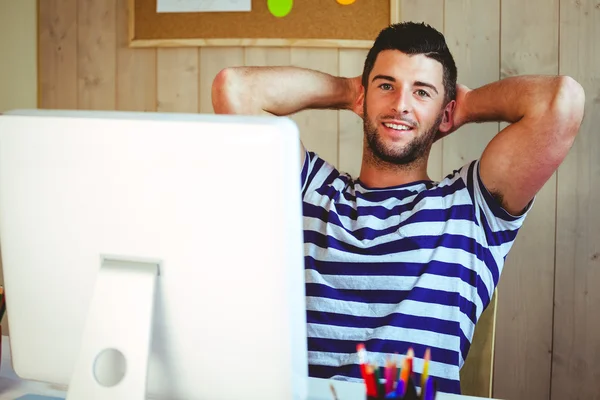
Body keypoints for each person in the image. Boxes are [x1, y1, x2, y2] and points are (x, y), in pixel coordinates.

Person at [211, 22, 585, 394]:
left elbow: (561, 102)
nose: (401, 104)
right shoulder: (311, 191)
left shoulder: (471, 207)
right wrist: (347, 90)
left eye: (422, 92)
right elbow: (234, 90)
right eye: (386, 85)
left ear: (444, 113)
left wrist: (464, 106)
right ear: (364, 97)